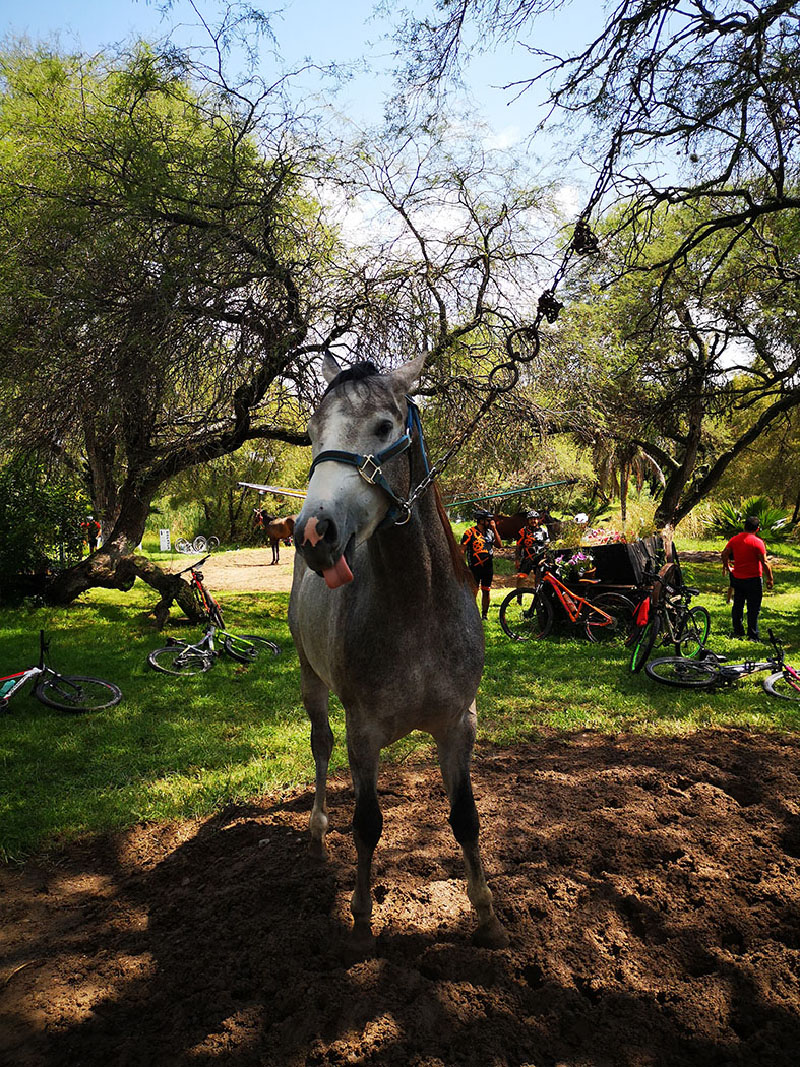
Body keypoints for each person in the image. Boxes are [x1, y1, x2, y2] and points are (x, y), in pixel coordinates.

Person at [721, 516, 774, 639]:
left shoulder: (734, 540)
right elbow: (765, 562)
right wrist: (769, 578)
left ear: (744, 526)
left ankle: (738, 630)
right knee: (753, 607)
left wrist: (727, 567)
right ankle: (753, 634)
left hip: (737, 578)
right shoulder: (758, 542)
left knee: (738, 605)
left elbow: (724, 554)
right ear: (757, 529)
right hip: (753, 579)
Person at [461, 509, 502, 620]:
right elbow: (462, 550)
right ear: (481, 521)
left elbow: (499, 545)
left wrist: (494, 528)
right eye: (488, 520)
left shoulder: (490, 532)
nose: (491, 522)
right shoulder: (470, 533)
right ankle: (471, 614)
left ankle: (484, 615)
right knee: (473, 590)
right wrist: (463, 566)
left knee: (486, 590)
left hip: (488, 567)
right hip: (475, 567)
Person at [515, 510, 549, 590]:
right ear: (528, 520)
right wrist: (517, 559)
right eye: (531, 519)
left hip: (540, 559)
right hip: (527, 558)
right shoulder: (523, 531)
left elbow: (547, 546)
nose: (533, 521)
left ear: (538, 520)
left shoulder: (543, 531)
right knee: (521, 578)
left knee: (539, 580)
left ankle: (538, 599)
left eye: (535, 519)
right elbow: (518, 547)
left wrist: (545, 559)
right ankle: (518, 599)